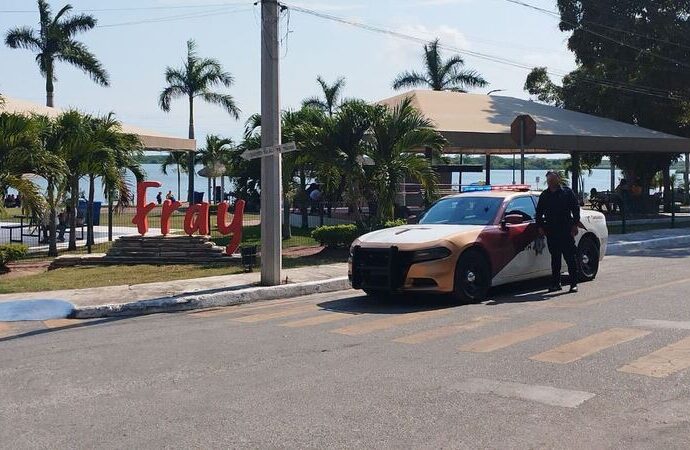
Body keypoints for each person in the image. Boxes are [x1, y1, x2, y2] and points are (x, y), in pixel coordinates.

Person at [536, 171, 581, 293]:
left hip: (566, 230)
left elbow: (575, 209)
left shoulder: (567, 192)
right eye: (549, 180)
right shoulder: (545, 195)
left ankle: (573, 284)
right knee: (555, 259)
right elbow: (539, 212)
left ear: (558, 180)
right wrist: (540, 226)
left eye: (553, 180)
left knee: (570, 257)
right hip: (551, 231)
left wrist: (575, 225)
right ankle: (556, 283)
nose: (551, 182)